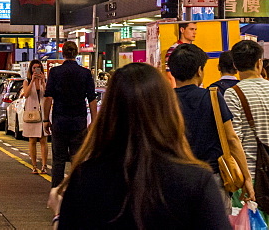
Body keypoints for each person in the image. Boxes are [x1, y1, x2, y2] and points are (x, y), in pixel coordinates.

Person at [56, 62, 231, 230]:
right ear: (168, 111)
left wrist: (58, 216)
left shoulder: (84, 178)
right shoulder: (197, 181)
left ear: (110, 111)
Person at [167, 44, 253, 200]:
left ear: (172, 72)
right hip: (211, 178)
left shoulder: (164, 101)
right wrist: (246, 177)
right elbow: (231, 139)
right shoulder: (212, 97)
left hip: (174, 179)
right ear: (199, 70)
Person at [224, 39, 269, 222]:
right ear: (259, 63)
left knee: (243, 223)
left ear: (235, 65)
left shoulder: (233, 93)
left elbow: (234, 137)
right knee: (263, 223)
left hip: (244, 173)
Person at [43, 41, 97, 188]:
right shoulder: (85, 73)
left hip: (59, 121)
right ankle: (77, 192)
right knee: (77, 159)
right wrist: (94, 120)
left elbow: (48, 97)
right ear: (77, 53)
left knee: (58, 160)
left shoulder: (55, 72)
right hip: (79, 122)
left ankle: (56, 193)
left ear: (63, 53)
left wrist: (45, 119)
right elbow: (92, 98)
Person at [21, 60, 48, 174]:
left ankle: (44, 165)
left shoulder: (44, 81)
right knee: (32, 140)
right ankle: (34, 165)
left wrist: (42, 81)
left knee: (43, 140)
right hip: (32, 114)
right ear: (31, 70)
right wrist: (32, 81)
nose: (36, 70)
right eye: (34, 68)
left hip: (42, 114)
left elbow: (48, 94)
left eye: (38, 68)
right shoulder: (26, 81)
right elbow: (26, 94)